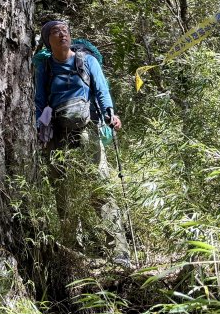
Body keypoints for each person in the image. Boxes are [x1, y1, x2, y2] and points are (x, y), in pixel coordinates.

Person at [34, 19, 129, 265]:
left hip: (88, 130)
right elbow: (39, 100)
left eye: (65, 30)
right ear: (48, 40)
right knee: (63, 190)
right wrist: (38, 127)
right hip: (57, 133)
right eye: (55, 32)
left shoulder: (87, 61)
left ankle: (118, 250)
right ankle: (73, 249)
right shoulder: (45, 67)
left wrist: (110, 113)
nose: (62, 34)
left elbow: (102, 91)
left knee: (100, 188)